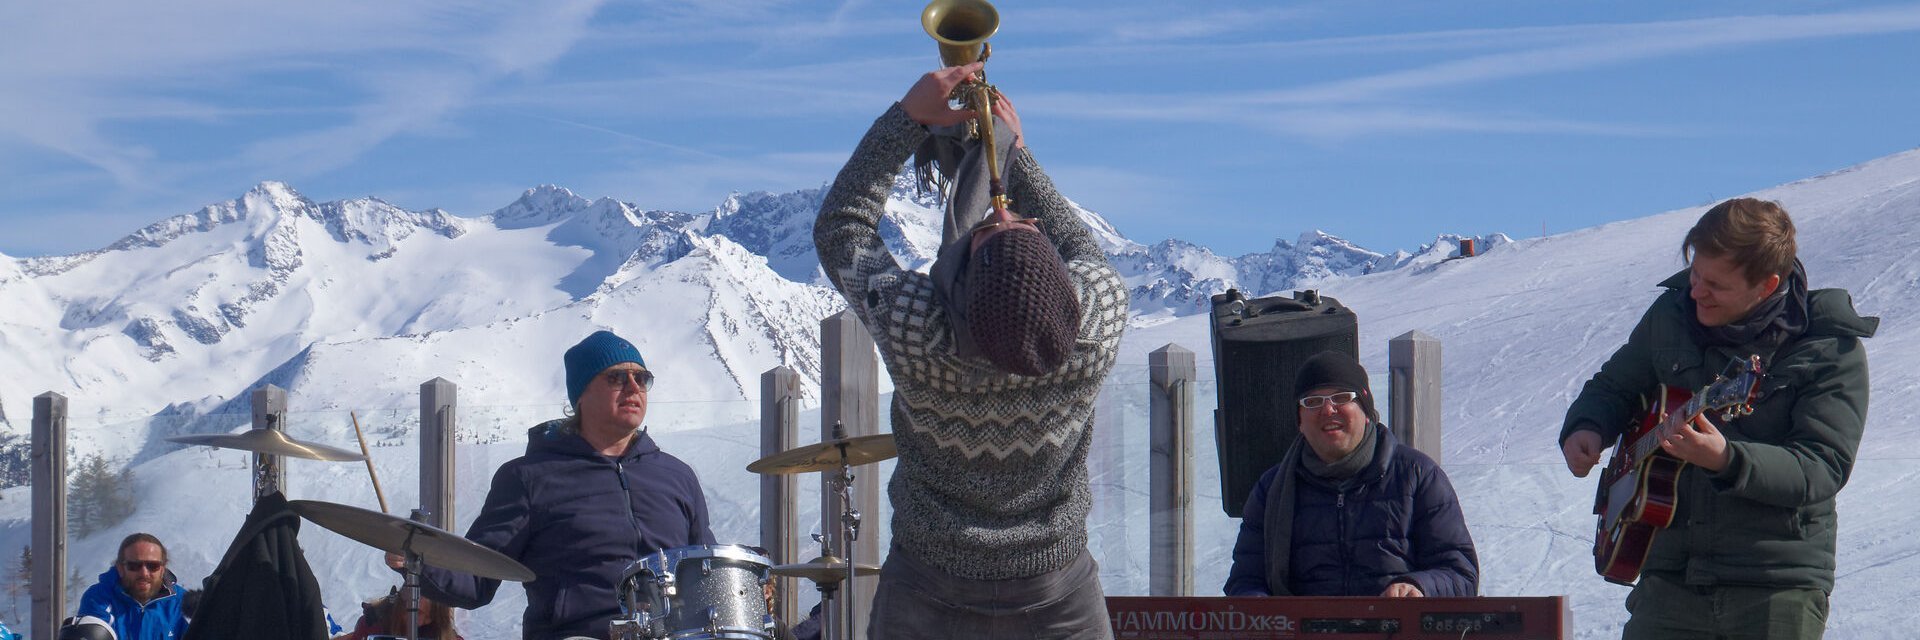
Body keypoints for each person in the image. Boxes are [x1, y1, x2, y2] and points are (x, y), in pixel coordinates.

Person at [814, 62, 1129, 639]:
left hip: (927, 592)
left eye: (989, 228)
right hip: (1058, 594)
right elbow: (1082, 245)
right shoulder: (1093, 324)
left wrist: (905, 119)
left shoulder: (920, 330)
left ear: (957, 293)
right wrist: (1015, 153)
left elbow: (842, 230)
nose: (1003, 209)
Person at [1559, 197, 1876, 638]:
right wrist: (1586, 427)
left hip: (1774, 586)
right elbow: (1613, 386)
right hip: (1669, 577)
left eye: (1715, 285)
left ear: (1766, 286)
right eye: (1694, 274)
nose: (1696, 292)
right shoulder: (1670, 316)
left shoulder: (1828, 350)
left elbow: (1821, 468)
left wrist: (1728, 459)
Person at [392, 330, 717, 640]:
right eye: (617, 377)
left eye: (642, 378)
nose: (634, 387)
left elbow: (708, 571)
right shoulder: (529, 478)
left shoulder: (678, 476)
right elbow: (476, 579)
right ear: (581, 393)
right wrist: (416, 561)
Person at [1223, 351, 1479, 597]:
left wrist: (1418, 586)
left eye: (1342, 397)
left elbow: (1460, 573)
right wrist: (1260, 613)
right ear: (1299, 421)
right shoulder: (1271, 490)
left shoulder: (1417, 475)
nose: (1328, 410)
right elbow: (1246, 579)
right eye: (1312, 402)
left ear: (1366, 411)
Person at [77, 533, 189, 640]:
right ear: (120, 568)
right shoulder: (99, 598)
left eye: (153, 566)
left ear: (162, 569)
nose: (144, 573)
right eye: (134, 566)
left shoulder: (181, 603)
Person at [342, 588, 461, 640]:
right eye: (418, 612)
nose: (419, 622)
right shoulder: (373, 624)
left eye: (429, 618)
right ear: (402, 604)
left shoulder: (436, 630)